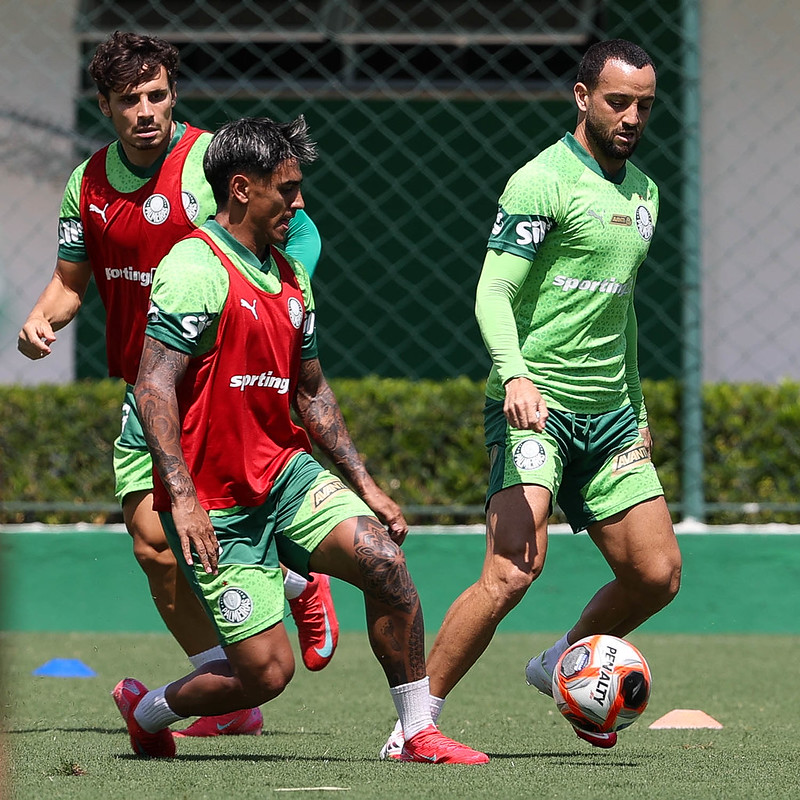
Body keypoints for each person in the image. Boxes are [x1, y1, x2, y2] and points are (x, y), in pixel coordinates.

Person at [112, 115, 489, 764]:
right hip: (217, 502)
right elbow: (153, 389)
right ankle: (148, 712)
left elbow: (310, 392)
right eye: (285, 189)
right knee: (266, 675)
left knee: (386, 565)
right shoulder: (195, 268)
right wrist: (183, 497)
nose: (299, 202)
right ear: (240, 189)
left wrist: (366, 487)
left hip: (286, 476)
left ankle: (416, 731)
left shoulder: (291, 277)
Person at [17, 32, 338, 738]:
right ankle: (230, 692)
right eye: (128, 99)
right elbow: (73, 282)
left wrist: (289, 302)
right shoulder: (87, 184)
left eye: (157, 95)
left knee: (224, 516)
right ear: (103, 104)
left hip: (220, 387)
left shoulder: (210, 161)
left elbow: (301, 230)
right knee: (152, 545)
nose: (145, 111)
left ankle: (297, 578)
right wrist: (43, 319)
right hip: (150, 392)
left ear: (173, 95)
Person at [381, 39, 682, 757]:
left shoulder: (644, 192)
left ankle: (559, 661)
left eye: (644, 104)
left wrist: (636, 412)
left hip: (609, 417)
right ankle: (414, 726)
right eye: (618, 101)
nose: (632, 116)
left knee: (657, 573)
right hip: (537, 404)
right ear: (582, 98)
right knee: (514, 568)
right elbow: (494, 290)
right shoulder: (540, 181)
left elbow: (624, 309)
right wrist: (515, 375)